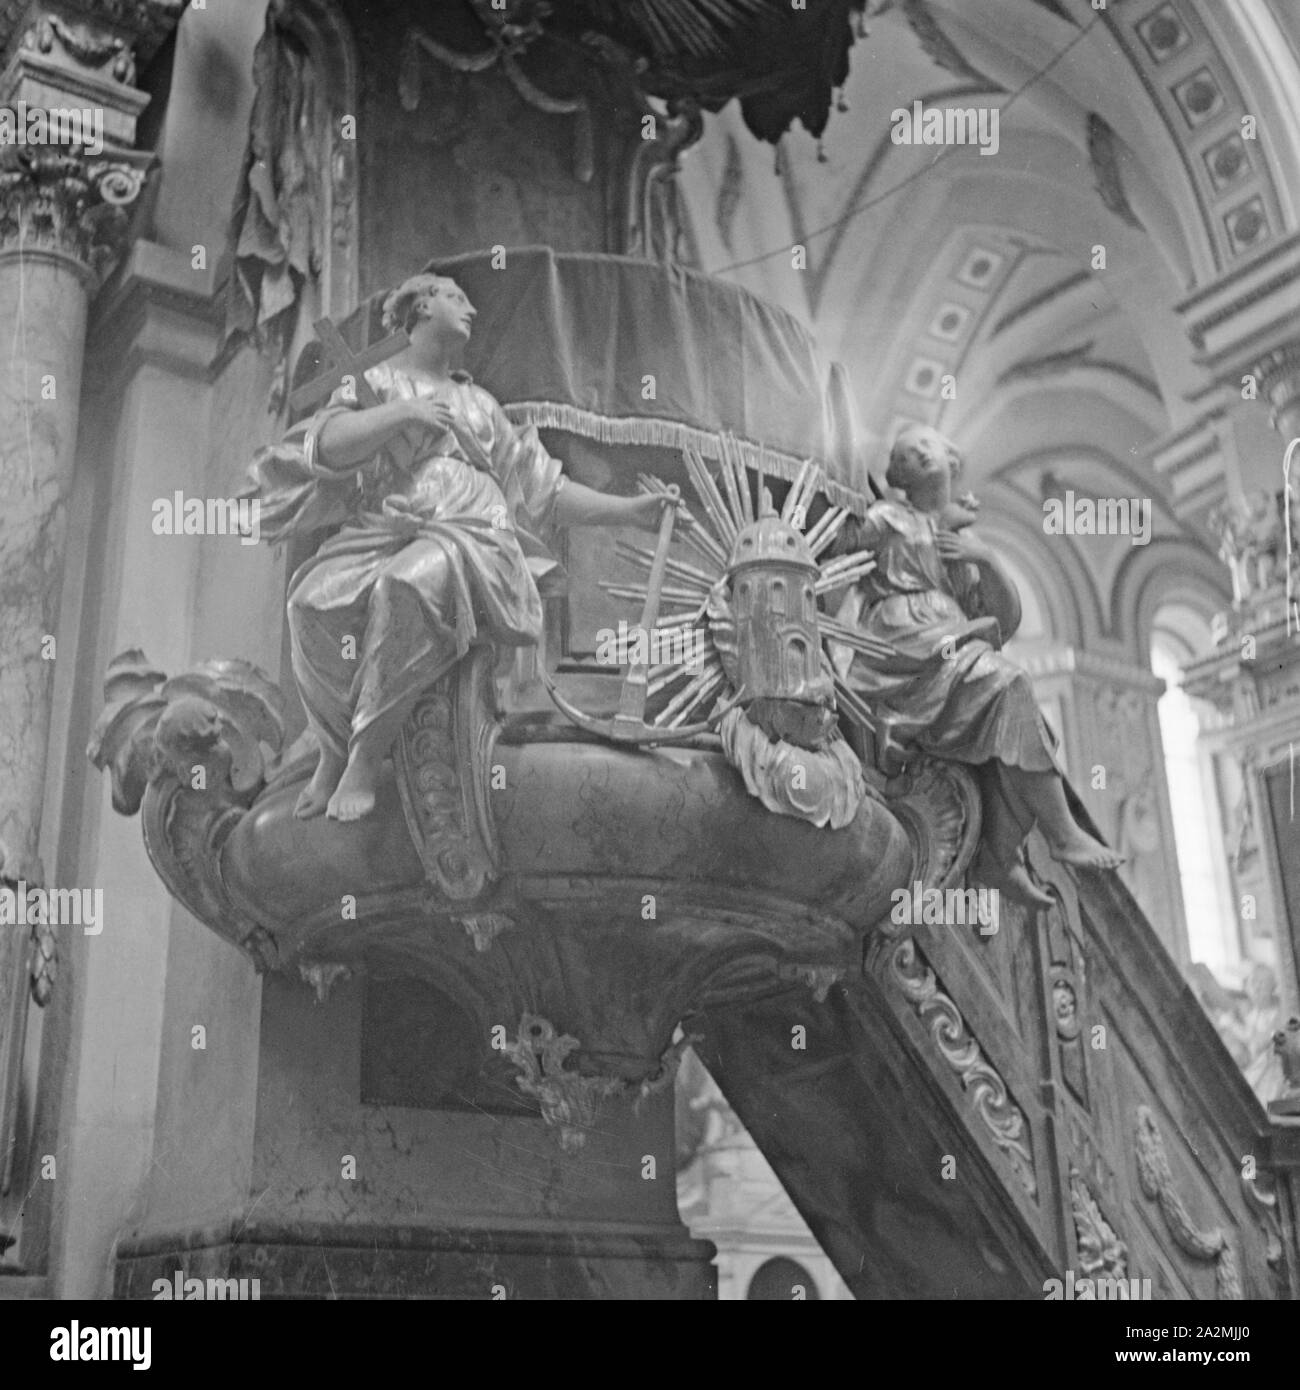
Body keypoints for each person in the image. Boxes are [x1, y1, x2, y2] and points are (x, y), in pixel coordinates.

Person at [247, 273, 665, 821]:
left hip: (471, 533)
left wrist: (629, 512)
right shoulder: (377, 381)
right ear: (420, 306)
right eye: (456, 298)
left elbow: (545, 493)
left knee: (407, 584)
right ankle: (331, 743)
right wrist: (401, 414)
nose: (470, 309)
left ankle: (365, 755)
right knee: (310, 604)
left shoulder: (480, 405)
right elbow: (325, 445)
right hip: (386, 528)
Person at [841, 424, 1123, 905]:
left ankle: (1001, 856)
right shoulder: (888, 517)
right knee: (1008, 689)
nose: (920, 456)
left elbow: (1002, 619)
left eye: (927, 446)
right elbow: (842, 542)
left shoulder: (957, 537)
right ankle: (1060, 835)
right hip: (902, 649)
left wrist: (986, 558)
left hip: (946, 646)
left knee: (1016, 716)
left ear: (950, 462)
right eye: (907, 454)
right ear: (897, 475)